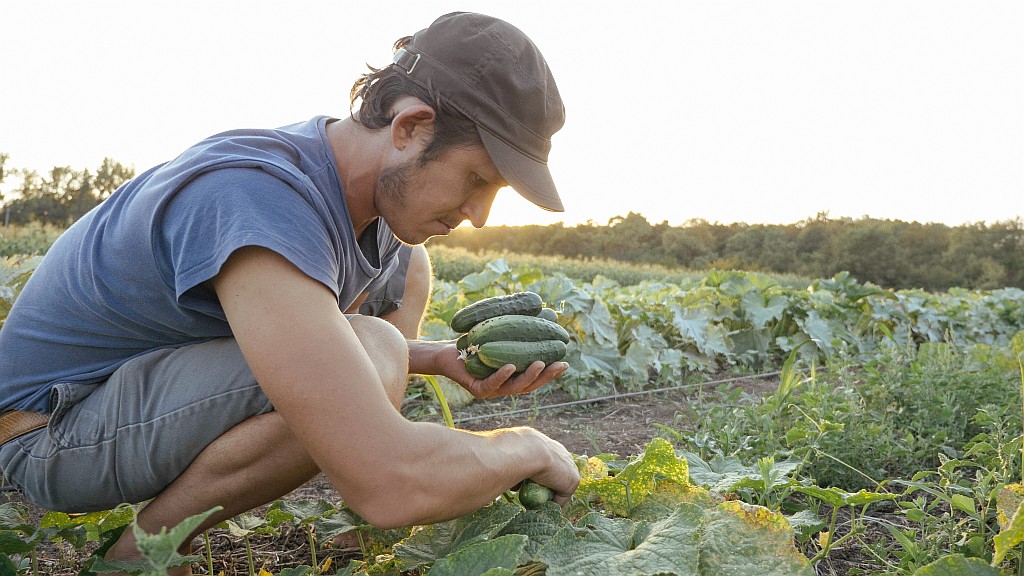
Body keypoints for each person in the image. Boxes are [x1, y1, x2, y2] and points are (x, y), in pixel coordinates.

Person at [0, 11, 580, 571]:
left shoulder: (371, 223)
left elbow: (315, 348)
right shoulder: (258, 198)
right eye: (477, 179)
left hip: (129, 401)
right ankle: (145, 555)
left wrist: (439, 358)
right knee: (372, 354)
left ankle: (161, 542)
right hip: (50, 434)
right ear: (409, 127)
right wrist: (525, 447)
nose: (480, 214)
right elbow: (389, 483)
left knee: (399, 289)